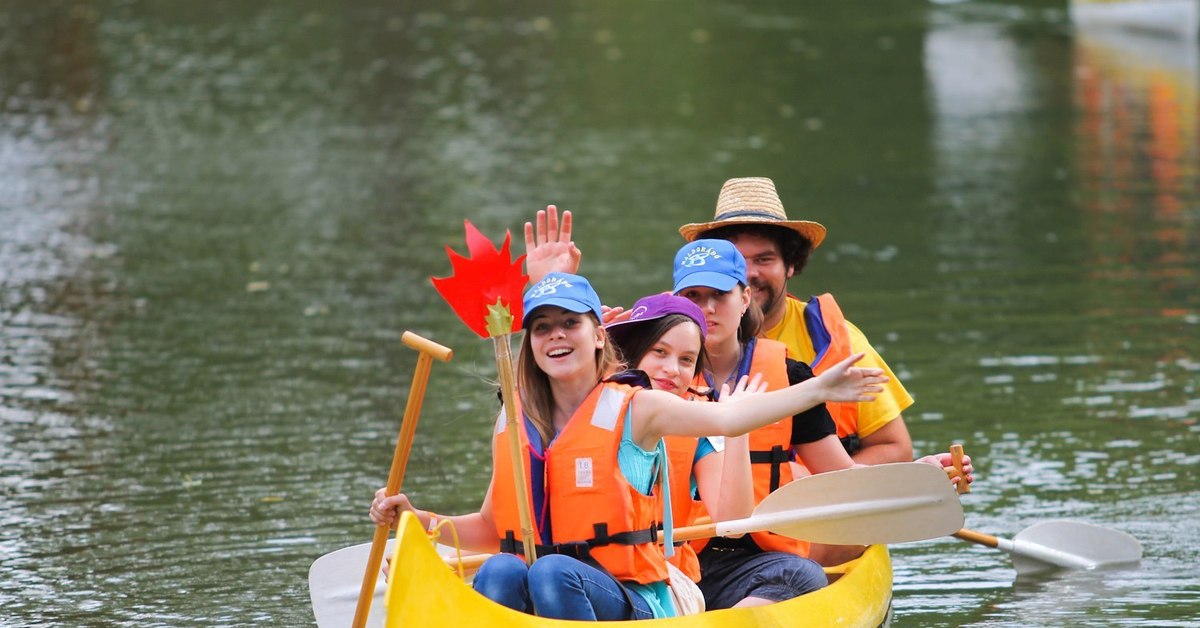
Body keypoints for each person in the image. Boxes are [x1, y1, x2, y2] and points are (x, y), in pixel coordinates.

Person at [369, 271, 890, 621]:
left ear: (599, 336)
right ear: (528, 342)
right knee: (505, 568)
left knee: (550, 571)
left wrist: (818, 388)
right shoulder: (514, 419)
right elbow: (490, 529)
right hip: (555, 594)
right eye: (543, 327)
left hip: (636, 600)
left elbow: (728, 416)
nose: (556, 336)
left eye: (570, 323)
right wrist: (420, 523)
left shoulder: (637, 407)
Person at [603, 293, 754, 602]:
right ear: (633, 352)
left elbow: (734, 524)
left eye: (686, 360)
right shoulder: (589, 400)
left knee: (795, 574)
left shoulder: (700, 421)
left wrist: (739, 427)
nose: (673, 369)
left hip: (662, 582)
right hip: (585, 569)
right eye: (659, 351)